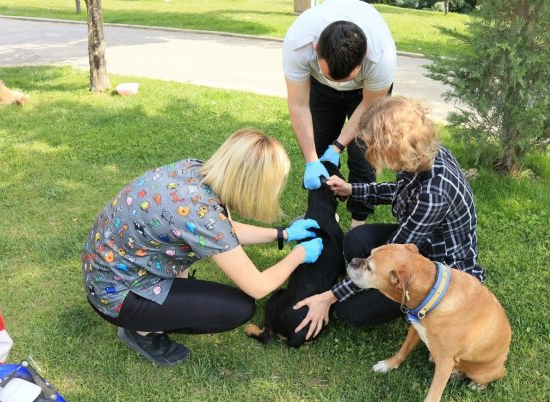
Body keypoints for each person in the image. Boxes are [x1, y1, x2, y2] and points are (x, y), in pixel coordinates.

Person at [82, 129, 323, 366]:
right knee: (239, 308)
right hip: (117, 296)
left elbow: (224, 230)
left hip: (105, 271)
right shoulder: (203, 216)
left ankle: (153, 311)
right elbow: (258, 286)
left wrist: (283, 234)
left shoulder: (193, 170)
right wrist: (300, 253)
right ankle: (141, 332)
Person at [293, 96, 485, 337]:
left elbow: (395, 255)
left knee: (347, 311)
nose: (372, 155)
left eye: (376, 148)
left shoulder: (434, 194)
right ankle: (372, 286)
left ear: (395, 147)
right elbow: (399, 191)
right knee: (355, 241)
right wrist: (352, 189)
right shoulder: (423, 155)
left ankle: (422, 304)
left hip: (439, 268)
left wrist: (328, 297)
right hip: (417, 244)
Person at [283, 0, 397, 228]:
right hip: (320, 89)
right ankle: (323, 215)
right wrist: (311, 161)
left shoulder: (381, 58)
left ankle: (358, 222)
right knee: (319, 144)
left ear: (364, 55)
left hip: (365, 94)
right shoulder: (298, 44)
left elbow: (368, 106)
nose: (340, 85)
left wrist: (339, 146)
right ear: (316, 49)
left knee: (363, 156)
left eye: (345, 79)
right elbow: (298, 105)